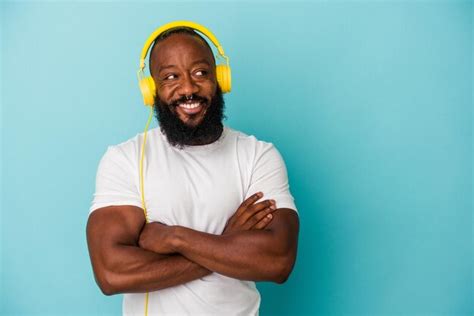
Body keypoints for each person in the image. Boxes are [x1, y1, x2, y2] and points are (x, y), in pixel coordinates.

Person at [86, 24, 299, 316]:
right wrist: (227, 243)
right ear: (151, 90)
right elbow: (111, 274)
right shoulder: (125, 159)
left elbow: (277, 261)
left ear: (220, 78)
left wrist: (174, 238)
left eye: (200, 73)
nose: (188, 89)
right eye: (171, 77)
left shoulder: (258, 156)